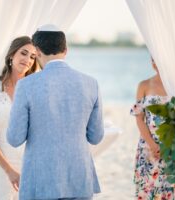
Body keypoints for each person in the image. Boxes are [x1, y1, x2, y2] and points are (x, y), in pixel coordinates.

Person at [7, 24, 104, 200]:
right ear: (65, 50)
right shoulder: (91, 83)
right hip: (79, 178)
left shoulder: (26, 85)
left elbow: (14, 138)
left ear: (36, 51)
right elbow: (96, 137)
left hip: (40, 181)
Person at [0, 36, 39, 199]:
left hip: (33, 164)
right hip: (3, 167)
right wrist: (9, 171)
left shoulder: (35, 90)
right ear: (11, 55)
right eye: (24, 53)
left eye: (33, 57)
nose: (28, 60)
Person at [130, 57, 175, 199]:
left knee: (169, 193)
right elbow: (139, 118)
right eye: (153, 60)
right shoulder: (144, 85)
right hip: (148, 148)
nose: (155, 63)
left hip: (172, 149)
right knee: (146, 192)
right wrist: (152, 145)